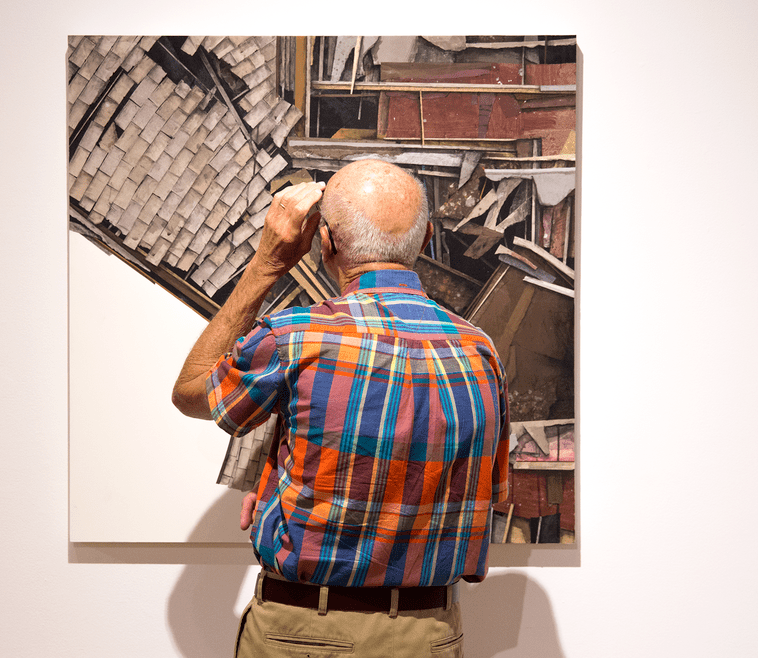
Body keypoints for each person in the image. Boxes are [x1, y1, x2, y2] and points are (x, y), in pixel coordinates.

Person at [172, 159, 509, 657]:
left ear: (325, 242)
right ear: (425, 239)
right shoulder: (480, 352)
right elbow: (485, 495)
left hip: (302, 632)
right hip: (428, 636)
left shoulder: (297, 336)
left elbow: (191, 390)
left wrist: (268, 262)